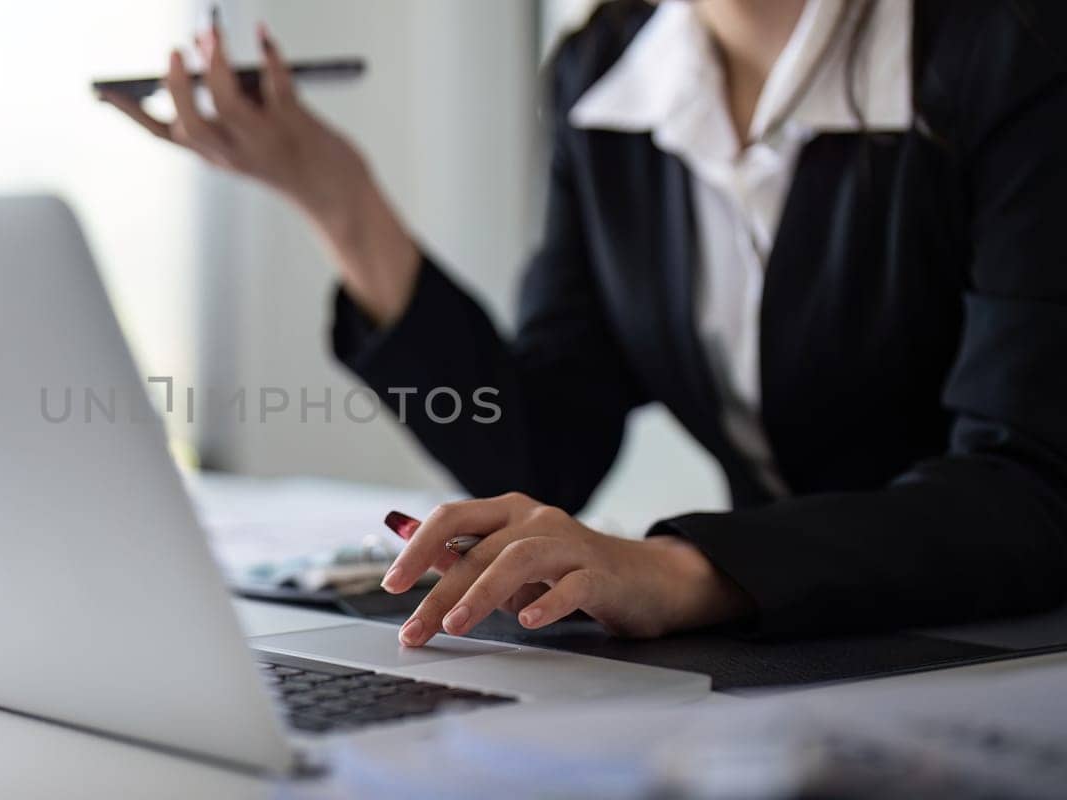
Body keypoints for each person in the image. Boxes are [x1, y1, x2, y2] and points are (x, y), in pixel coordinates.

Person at [100, 0, 1067, 643]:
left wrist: (681, 571)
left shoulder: (1021, 56)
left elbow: (1033, 490)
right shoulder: (607, 72)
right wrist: (337, 197)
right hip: (818, 660)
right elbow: (540, 452)